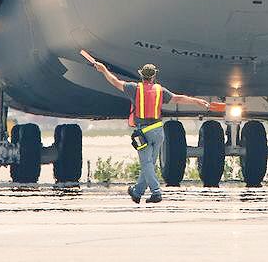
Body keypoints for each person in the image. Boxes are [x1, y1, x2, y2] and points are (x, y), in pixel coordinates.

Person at [82, 54, 210, 203]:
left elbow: (115, 82)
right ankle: (137, 192)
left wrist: (103, 70)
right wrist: (197, 102)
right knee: (149, 164)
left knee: (146, 163)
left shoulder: (134, 89)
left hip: (143, 132)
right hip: (158, 131)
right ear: (154, 76)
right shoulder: (160, 90)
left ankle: (156, 192)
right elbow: (178, 98)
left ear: (141, 75)